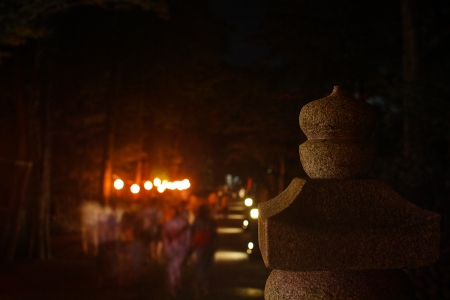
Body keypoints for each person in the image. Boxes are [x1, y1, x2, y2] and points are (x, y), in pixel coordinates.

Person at [162, 207, 191, 298]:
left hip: (171, 249)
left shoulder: (167, 224)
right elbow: (187, 237)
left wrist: (165, 248)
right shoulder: (183, 224)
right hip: (181, 249)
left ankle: (173, 285)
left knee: (172, 266)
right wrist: (187, 247)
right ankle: (176, 284)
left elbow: (164, 237)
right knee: (176, 266)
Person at [190, 204, 217, 299]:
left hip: (202, 247)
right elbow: (214, 235)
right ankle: (204, 287)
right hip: (205, 247)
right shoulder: (209, 221)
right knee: (205, 267)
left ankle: (201, 287)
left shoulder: (198, 221)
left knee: (200, 267)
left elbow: (192, 233)